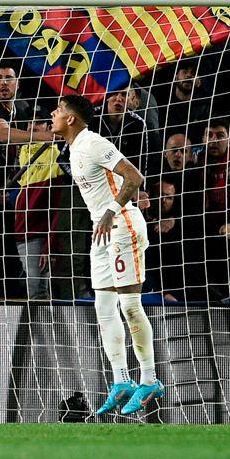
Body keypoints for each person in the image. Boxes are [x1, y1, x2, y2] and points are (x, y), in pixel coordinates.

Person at [50, 96, 163, 416]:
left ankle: (150, 379)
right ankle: (121, 379)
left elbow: (135, 177)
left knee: (129, 304)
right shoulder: (73, 147)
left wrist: (110, 210)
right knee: (103, 306)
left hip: (122, 224)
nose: (53, 114)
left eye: (58, 111)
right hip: (102, 234)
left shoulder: (95, 143)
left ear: (71, 119)